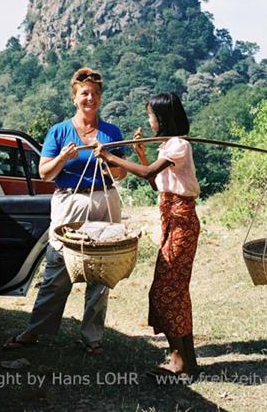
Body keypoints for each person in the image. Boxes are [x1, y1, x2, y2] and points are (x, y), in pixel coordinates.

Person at [4, 67, 126, 354]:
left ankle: (92, 337)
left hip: (104, 200)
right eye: (85, 93)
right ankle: (35, 331)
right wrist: (63, 156)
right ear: (74, 97)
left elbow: (120, 174)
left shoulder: (111, 132)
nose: (90, 98)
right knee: (57, 267)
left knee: (101, 270)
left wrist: (106, 157)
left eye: (95, 94)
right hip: (69, 202)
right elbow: (45, 173)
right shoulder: (59, 131)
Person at [94, 93, 200, 379]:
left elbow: (146, 174)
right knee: (172, 290)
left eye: (151, 116)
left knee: (167, 290)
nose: (149, 121)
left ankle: (180, 360)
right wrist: (141, 153)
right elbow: (157, 184)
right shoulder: (168, 146)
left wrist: (110, 156)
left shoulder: (178, 145)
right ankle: (185, 360)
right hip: (171, 223)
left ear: (162, 119)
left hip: (182, 223)